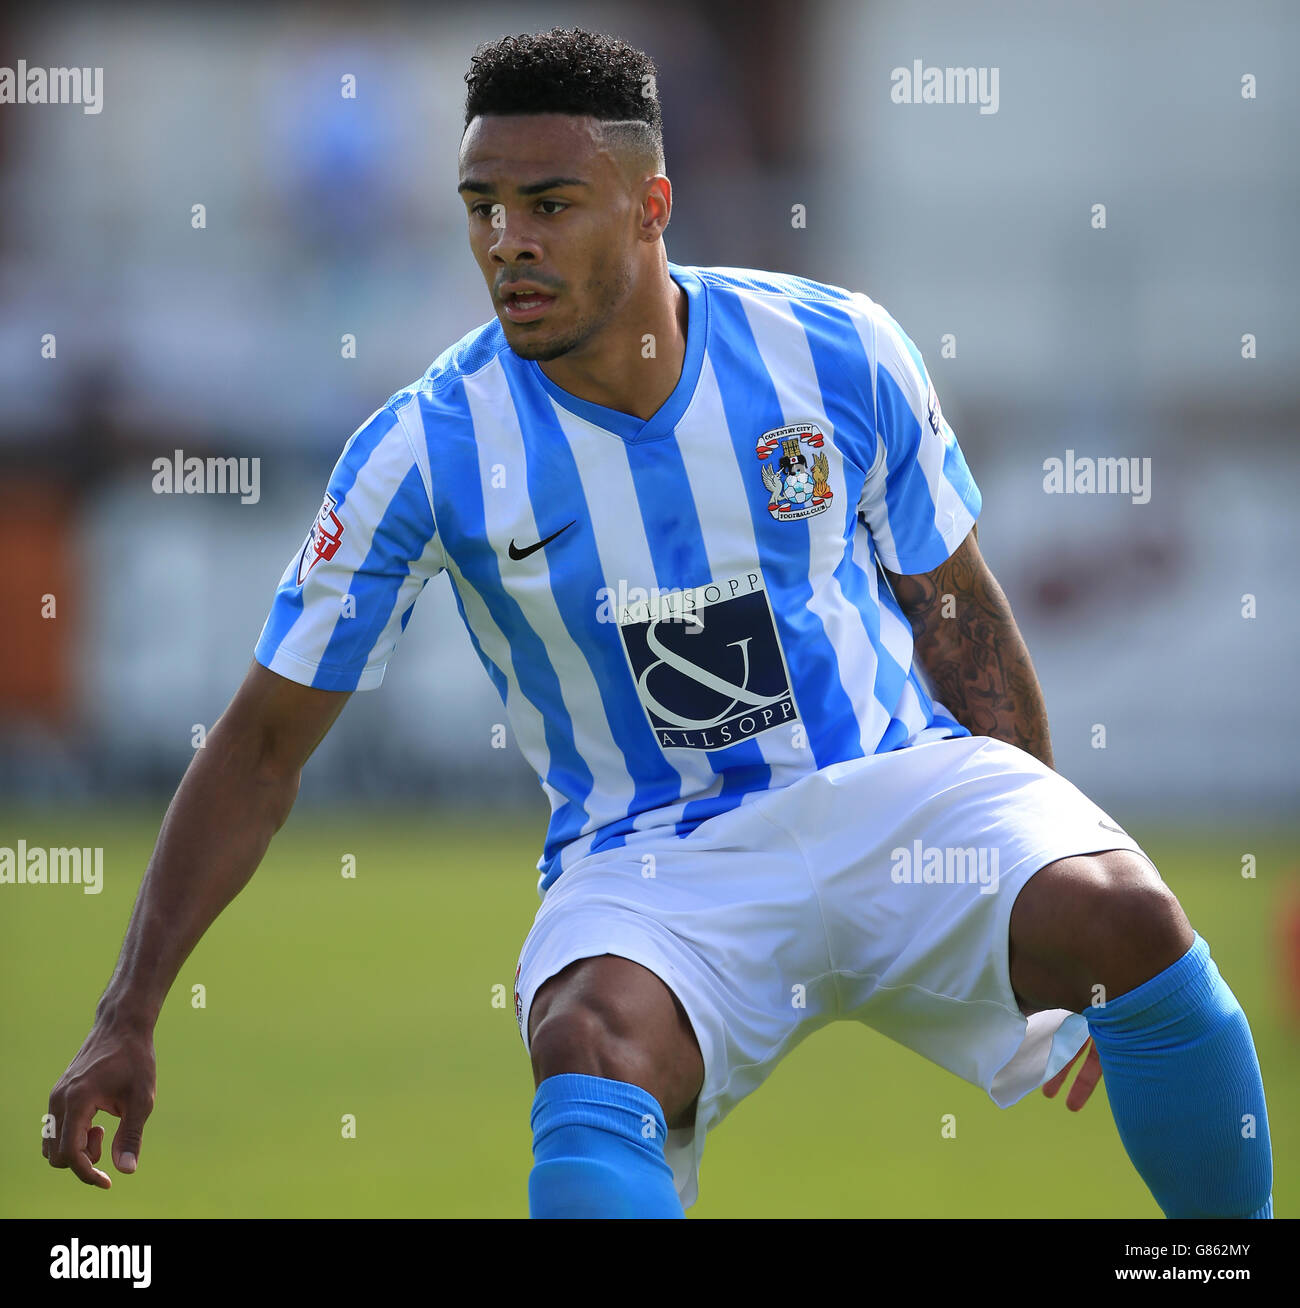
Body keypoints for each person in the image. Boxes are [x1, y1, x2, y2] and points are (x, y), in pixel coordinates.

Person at [45, 27, 1273, 1219]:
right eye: (481, 205)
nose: (505, 242)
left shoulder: (835, 347)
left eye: (549, 203)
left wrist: (1043, 865)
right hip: (653, 857)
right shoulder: (425, 449)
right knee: (585, 1041)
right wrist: (130, 1011)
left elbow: (956, 619)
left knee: (1131, 921)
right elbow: (261, 745)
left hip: (893, 789)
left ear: (650, 204)